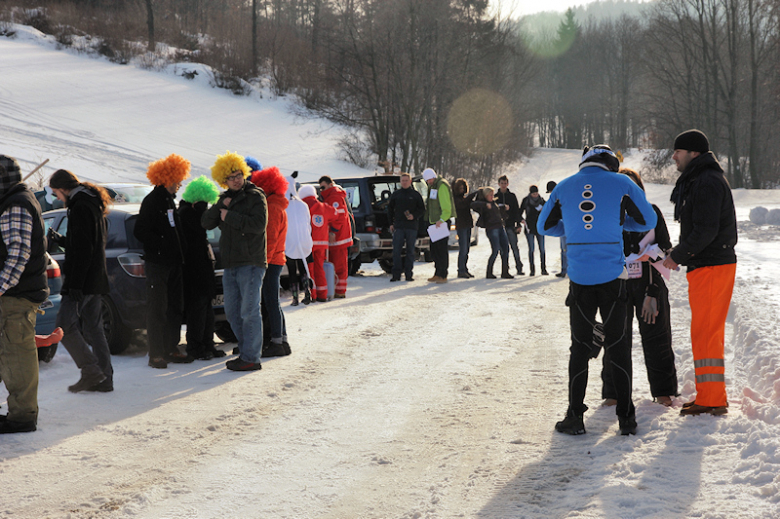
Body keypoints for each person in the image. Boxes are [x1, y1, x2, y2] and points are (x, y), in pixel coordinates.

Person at [538, 145, 657, 436]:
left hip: (580, 278)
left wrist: (574, 228)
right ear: (611, 164)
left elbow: (544, 226)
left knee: (579, 348)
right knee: (618, 347)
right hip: (613, 277)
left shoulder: (564, 186)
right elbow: (648, 220)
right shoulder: (622, 182)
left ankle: (574, 417)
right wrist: (618, 225)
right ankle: (627, 419)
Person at [662, 129, 737, 417]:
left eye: (677, 151)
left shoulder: (705, 181)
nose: (673, 156)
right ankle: (709, 395)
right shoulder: (702, 178)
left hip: (712, 265)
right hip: (709, 264)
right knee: (704, 331)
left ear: (693, 152)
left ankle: (713, 399)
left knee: (706, 331)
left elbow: (706, 230)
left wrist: (677, 256)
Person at [601, 168, 678, 408]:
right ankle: (613, 392)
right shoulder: (607, 213)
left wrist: (650, 255)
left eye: (631, 185)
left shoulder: (652, 212)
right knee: (616, 338)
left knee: (658, 338)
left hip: (649, 285)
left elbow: (666, 247)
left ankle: (663, 391)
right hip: (618, 284)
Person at [48, 169, 115, 392]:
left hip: (83, 281)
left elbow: (84, 250)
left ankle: (92, 372)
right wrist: (61, 240)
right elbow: (85, 243)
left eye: (56, 193)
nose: (57, 198)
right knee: (95, 330)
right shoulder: (92, 203)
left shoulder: (79, 207)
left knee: (63, 325)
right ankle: (105, 378)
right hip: (96, 277)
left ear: (64, 188)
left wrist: (75, 284)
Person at [203, 151, 268, 371]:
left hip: (251, 262)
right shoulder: (225, 198)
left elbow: (258, 225)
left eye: (239, 175)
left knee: (249, 310)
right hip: (230, 264)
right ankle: (246, 350)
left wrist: (229, 215)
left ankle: (251, 357)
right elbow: (206, 222)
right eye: (231, 177)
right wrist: (221, 203)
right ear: (224, 180)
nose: (236, 179)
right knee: (232, 311)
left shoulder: (255, 196)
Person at [0, 155, 49, 434]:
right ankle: (19, 411)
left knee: (18, 355)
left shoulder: (15, 205)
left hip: (15, 295)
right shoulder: (15, 199)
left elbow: (17, 256)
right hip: (14, 293)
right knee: (7, 352)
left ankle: (22, 417)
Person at [134, 154, 193, 369]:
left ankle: (171, 347)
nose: (179, 184)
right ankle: (156, 353)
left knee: (174, 307)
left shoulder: (170, 200)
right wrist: (160, 245)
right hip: (158, 264)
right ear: (168, 178)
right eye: (178, 180)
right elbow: (140, 230)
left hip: (174, 263)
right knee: (157, 309)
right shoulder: (152, 200)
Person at [178, 175, 225, 361]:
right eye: (204, 202)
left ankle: (207, 344)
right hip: (193, 269)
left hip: (203, 267)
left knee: (207, 310)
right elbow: (196, 234)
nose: (205, 206)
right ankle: (196, 347)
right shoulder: (186, 213)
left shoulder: (192, 211)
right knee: (197, 310)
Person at [250, 165, 292, 358]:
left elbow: (271, 239)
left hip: (271, 261)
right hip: (276, 259)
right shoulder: (277, 205)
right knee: (273, 301)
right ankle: (282, 341)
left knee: (271, 302)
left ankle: (277, 341)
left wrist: (263, 263)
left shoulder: (272, 207)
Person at [299, 184, 337, 302]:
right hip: (321, 244)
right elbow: (335, 214)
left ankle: (312, 295)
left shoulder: (302, 206)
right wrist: (329, 226)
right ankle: (322, 294)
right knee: (319, 269)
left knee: (310, 270)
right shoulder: (323, 207)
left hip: (308, 244)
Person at [318, 176, 352, 298]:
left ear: (330, 184)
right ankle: (335, 289)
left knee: (339, 264)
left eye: (323, 187)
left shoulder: (334, 197)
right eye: (320, 187)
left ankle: (340, 291)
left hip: (339, 236)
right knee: (334, 263)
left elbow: (339, 216)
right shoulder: (329, 196)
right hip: (336, 236)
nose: (322, 190)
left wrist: (333, 231)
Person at [388, 172, 425, 282]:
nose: (404, 182)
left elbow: (422, 209)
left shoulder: (415, 194)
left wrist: (414, 216)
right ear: (400, 182)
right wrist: (391, 223)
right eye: (402, 180)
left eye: (406, 180)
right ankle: (396, 274)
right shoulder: (396, 194)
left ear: (410, 181)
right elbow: (389, 210)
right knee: (396, 251)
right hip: (398, 227)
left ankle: (409, 274)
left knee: (410, 251)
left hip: (411, 227)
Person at [471, 187, 513, 279]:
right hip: (492, 229)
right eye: (490, 195)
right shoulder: (484, 205)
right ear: (486, 196)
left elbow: (496, 211)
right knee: (495, 250)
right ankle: (489, 272)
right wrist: (485, 204)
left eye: (492, 195)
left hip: (500, 227)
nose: (492, 196)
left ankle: (505, 272)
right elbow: (473, 204)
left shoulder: (494, 203)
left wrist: (503, 207)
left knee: (506, 249)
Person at [284, 171, 313, 306]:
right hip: (303, 240)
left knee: (292, 270)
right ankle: (307, 293)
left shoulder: (283, 206)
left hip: (289, 241)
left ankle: (295, 298)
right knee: (303, 267)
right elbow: (308, 222)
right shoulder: (303, 204)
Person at [422, 168, 453, 283]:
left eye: (429, 179)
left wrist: (442, 219)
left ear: (433, 177)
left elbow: (446, 206)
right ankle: (437, 272)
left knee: (441, 250)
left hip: (441, 223)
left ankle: (443, 275)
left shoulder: (442, 186)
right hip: (434, 223)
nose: (428, 182)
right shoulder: (433, 186)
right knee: (434, 249)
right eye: (427, 180)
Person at [495, 175, 525, 275]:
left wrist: (518, 224)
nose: (503, 185)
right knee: (502, 249)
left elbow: (517, 211)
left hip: (511, 225)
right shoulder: (495, 196)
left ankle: (519, 267)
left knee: (514, 247)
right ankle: (505, 269)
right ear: (498, 184)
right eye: (501, 183)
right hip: (499, 226)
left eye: (505, 183)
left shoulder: (512, 196)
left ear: (507, 184)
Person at [452, 178, 478, 279]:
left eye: (463, 188)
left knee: (466, 248)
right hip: (461, 226)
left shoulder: (463, 198)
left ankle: (464, 268)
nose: (462, 190)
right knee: (463, 248)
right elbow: (462, 205)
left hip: (467, 225)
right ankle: (461, 270)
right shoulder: (456, 199)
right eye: (460, 188)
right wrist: (472, 195)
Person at [520, 185, 548, 276]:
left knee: (542, 249)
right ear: (530, 193)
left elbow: (548, 210)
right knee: (531, 249)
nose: (535, 195)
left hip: (540, 227)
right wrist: (521, 220)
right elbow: (519, 212)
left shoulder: (542, 200)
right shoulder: (526, 201)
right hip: (530, 227)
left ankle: (543, 269)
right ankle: (532, 270)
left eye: (536, 193)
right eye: (533, 194)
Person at [547, 181, 567, 278]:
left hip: (567, 226)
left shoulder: (562, 198)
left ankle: (567, 270)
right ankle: (564, 269)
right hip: (562, 225)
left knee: (566, 249)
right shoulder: (556, 199)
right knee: (563, 249)